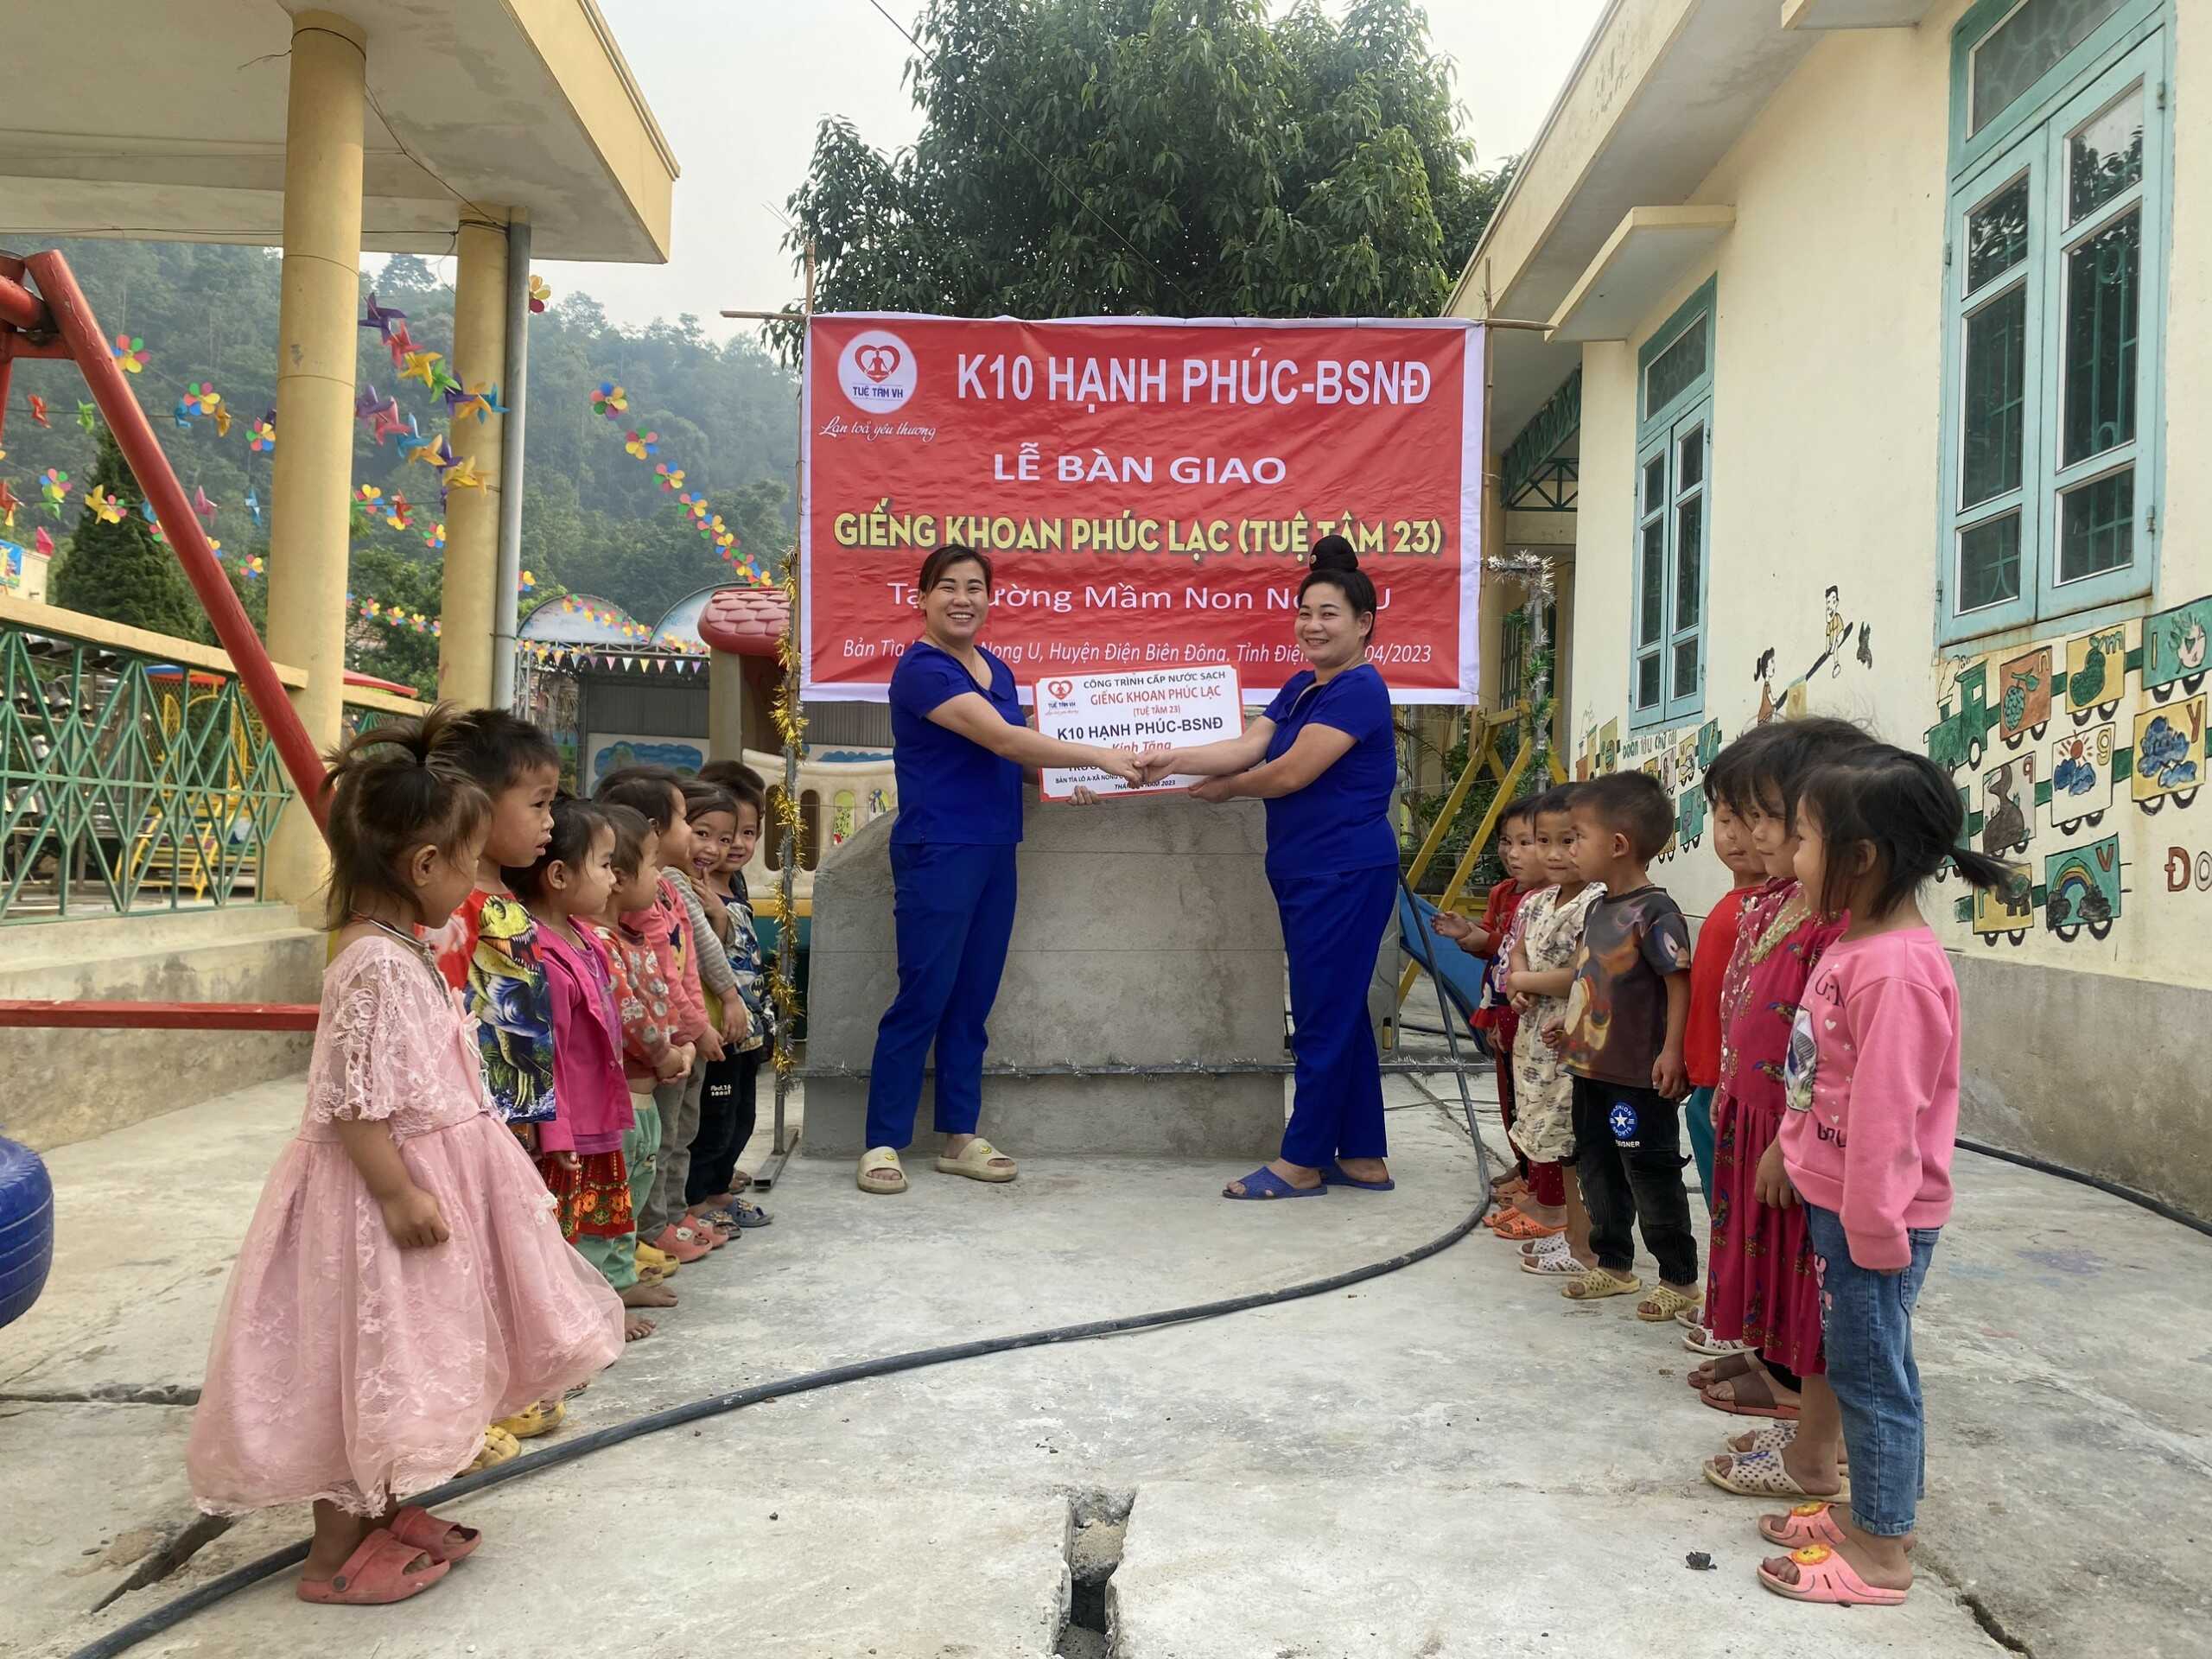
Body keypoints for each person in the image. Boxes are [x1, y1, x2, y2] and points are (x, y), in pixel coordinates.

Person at [186, 708, 623, 1605]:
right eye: (464, 863)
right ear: (425, 865)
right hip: (377, 1206)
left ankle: (386, 1512)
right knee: (363, 1363)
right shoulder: (372, 966)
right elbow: (352, 1102)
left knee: (407, 1361)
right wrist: (397, 1194)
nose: (472, 879)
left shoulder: (400, 950)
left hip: (421, 1190)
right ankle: (333, 1555)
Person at [1751, 744, 2006, 1606]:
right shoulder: (1852, 944)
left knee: (1871, 1379)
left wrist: (1870, 1230)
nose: (1791, 856)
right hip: (1843, 1205)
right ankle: (1873, 1513)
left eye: (1803, 839)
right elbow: (1818, 1074)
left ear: (1859, 858)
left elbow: (1889, 1120)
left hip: (1874, 1219)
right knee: (1866, 1364)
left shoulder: (1895, 971)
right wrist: (1792, 1151)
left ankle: (1882, 1548)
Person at [858, 543, 1142, 1196]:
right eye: (948, 586)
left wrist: (1067, 779)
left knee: (973, 999)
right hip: (940, 849)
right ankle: (881, 1141)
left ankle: (960, 1136)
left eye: (975, 587)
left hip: (995, 849)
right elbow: (1003, 737)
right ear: (921, 598)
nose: (963, 599)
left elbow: (1016, 759)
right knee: (923, 996)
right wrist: (1100, 757)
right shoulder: (922, 670)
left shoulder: (998, 670)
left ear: (990, 599)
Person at [1135, 537, 1401, 1201]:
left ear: (1364, 623)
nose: (1313, 625)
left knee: (1321, 1015)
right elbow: (1248, 746)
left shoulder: (1360, 689)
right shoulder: (1301, 687)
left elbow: (1288, 772)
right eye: (1305, 612)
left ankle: (1302, 1160)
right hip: (1308, 869)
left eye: (1329, 614)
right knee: (1340, 1010)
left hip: (1343, 871)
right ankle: (1362, 1155)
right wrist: (1173, 758)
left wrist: (1227, 790)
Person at [1694, 719, 1872, 1497]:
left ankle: (1816, 1450)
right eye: (1745, 816)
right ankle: (1806, 1427)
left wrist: (1787, 1141)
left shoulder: (1839, 925)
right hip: (1758, 1121)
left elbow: (1825, 1054)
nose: (1756, 836)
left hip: (1797, 1136)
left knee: (1815, 1301)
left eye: (1772, 818)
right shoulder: (1778, 900)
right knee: (1783, 1290)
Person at [1554, 772, 1698, 1321]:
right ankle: (1614, 1265)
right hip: (1590, 1069)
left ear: (1617, 844)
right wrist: (1569, 1025)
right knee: (1598, 1170)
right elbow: (1591, 980)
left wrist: (1673, 1051)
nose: (1569, 848)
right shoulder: (1598, 907)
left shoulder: (1656, 911)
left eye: (1576, 837)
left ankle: (1679, 1278)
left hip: (1637, 1077)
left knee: (1649, 1171)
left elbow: (1678, 983)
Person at [505, 798, 645, 1341]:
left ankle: (596, 1315)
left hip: (597, 1113)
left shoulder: (584, 937)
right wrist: (555, 1130)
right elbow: (545, 1053)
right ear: (559, 875)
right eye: (605, 864)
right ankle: (574, 1332)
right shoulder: (535, 949)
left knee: (595, 1227)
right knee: (566, 1236)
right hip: (568, 1126)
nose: (613, 878)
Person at [595, 769, 728, 1260]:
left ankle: (670, 1216)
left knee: (676, 1136)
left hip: (681, 1039)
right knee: (654, 1143)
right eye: (685, 818)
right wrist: (690, 1031)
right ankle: (650, 1229)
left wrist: (694, 1029)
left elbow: (684, 966)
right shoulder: (638, 900)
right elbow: (657, 985)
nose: (691, 831)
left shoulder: (666, 888)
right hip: (663, 1046)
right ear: (654, 828)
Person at [423, 710, 557, 1128]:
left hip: (519, 1114)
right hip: (473, 1117)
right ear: (475, 804)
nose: (550, 820)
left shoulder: (505, 897)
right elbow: (442, 1018)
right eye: (539, 804)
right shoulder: (453, 908)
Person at [591, 803, 691, 1329]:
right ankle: (604, 1290)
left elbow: (659, 1001)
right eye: (652, 864)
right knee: (611, 1200)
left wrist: (677, 1044)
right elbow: (631, 1015)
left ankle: (621, 1276)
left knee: (632, 1192)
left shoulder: (628, 938)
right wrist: (666, 1052)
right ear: (619, 878)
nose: (659, 877)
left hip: (646, 1094)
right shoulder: (600, 944)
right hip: (624, 1098)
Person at [1504, 789, 1600, 1267]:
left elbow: (1583, 973)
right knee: (1550, 1135)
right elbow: (1520, 949)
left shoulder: (1597, 902)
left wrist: (1522, 981)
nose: (1556, 854)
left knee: (1572, 1143)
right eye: (1544, 841)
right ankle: (1571, 1233)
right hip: (1534, 1038)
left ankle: (1584, 1242)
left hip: (1571, 1038)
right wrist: (1517, 982)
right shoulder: (1537, 900)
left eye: (1570, 840)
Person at [1434, 800, 1541, 1227]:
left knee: (1539, 1100)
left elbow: (1522, 952)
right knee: (1511, 1095)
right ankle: (1526, 1166)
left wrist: (1486, 940)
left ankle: (1542, 1184)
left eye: (1527, 842)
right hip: (1504, 1009)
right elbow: (1496, 953)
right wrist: (1468, 934)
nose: (1513, 853)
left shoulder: (1554, 898)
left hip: (1536, 1013)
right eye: (1506, 842)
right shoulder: (1502, 893)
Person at [1683, 756, 1770, 1211]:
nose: (1736, 835)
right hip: (1706, 1078)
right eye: (1724, 819)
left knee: (1738, 1205)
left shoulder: (1768, 909)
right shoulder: (1734, 901)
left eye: (1751, 819)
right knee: (1722, 1203)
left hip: (1735, 1086)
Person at [691, 773, 772, 1231]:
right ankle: (703, 1198)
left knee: (742, 1116)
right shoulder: (697, 892)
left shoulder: (734, 885)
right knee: (714, 1120)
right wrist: (719, 917)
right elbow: (705, 958)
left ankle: (718, 1185)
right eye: (724, 835)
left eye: (747, 833)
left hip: (747, 1029)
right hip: (719, 1027)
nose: (736, 845)